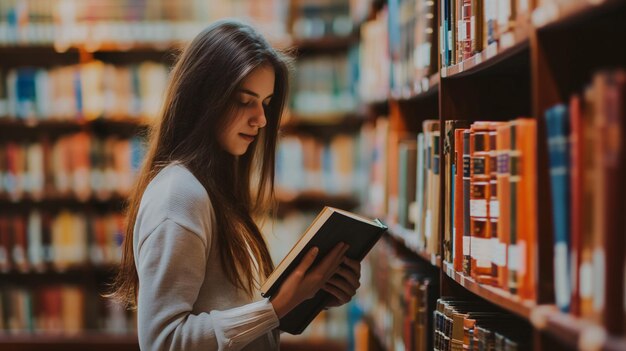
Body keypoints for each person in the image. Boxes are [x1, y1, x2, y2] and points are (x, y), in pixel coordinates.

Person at [109, 20, 362, 351]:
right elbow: (162, 341)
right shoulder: (179, 195)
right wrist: (276, 307)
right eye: (246, 101)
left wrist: (309, 295)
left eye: (266, 103)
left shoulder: (212, 189)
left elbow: (226, 308)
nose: (262, 119)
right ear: (203, 98)